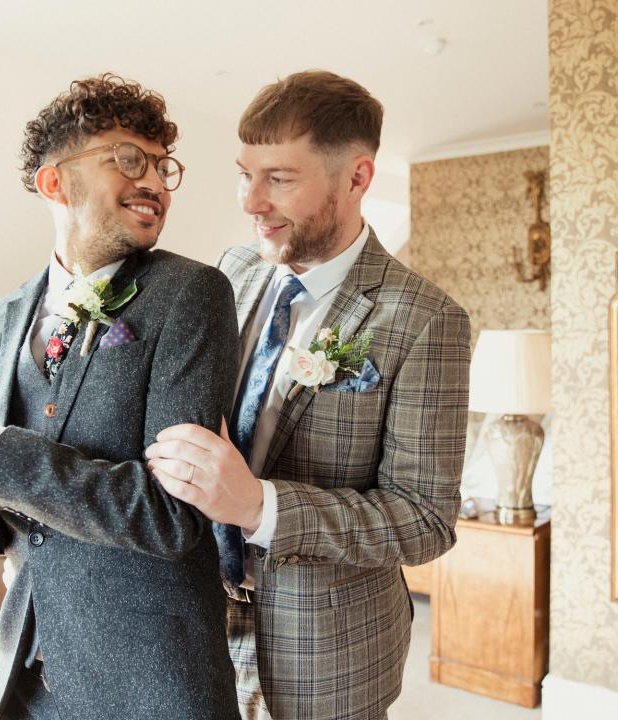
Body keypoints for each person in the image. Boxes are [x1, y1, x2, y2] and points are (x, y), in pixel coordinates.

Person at [0, 73, 240, 720]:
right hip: (27, 673)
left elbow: (169, 518)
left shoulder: (192, 295)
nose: (155, 182)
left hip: (150, 683)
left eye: (162, 166)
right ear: (54, 182)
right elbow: (9, 525)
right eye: (129, 159)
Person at [145, 70, 471, 720]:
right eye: (245, 173)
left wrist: (260, 506)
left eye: (280, 179)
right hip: (199, 630)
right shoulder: (230, 272)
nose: (251, 201)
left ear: (356, 178)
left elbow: (425, 520)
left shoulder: (426, 318)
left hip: (330, 656)